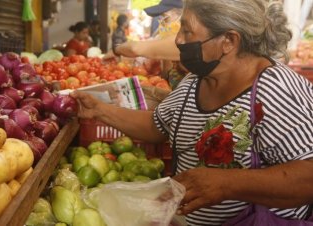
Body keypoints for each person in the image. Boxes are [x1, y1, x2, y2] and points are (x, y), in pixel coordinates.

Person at [72, 0, 313, 225]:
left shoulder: (275, 91)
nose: (178, 40)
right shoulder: (195, 83)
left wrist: (228, 184)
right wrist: (100, 111)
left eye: (187, 31)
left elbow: (307, 175)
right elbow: (157, 125)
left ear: (229, 40)